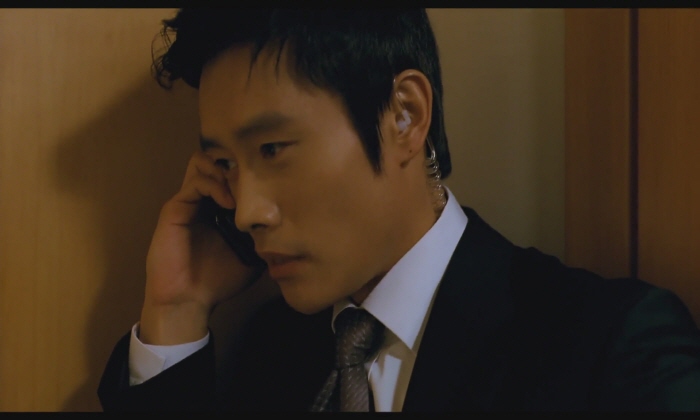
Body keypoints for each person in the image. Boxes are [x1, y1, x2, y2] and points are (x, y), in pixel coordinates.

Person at [97, 8, 700, 411]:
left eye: (273, 149)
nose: (247, 211)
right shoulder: (271, 351)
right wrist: (176, 309)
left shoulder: (610, 346)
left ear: (405, 116)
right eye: (225, 164)